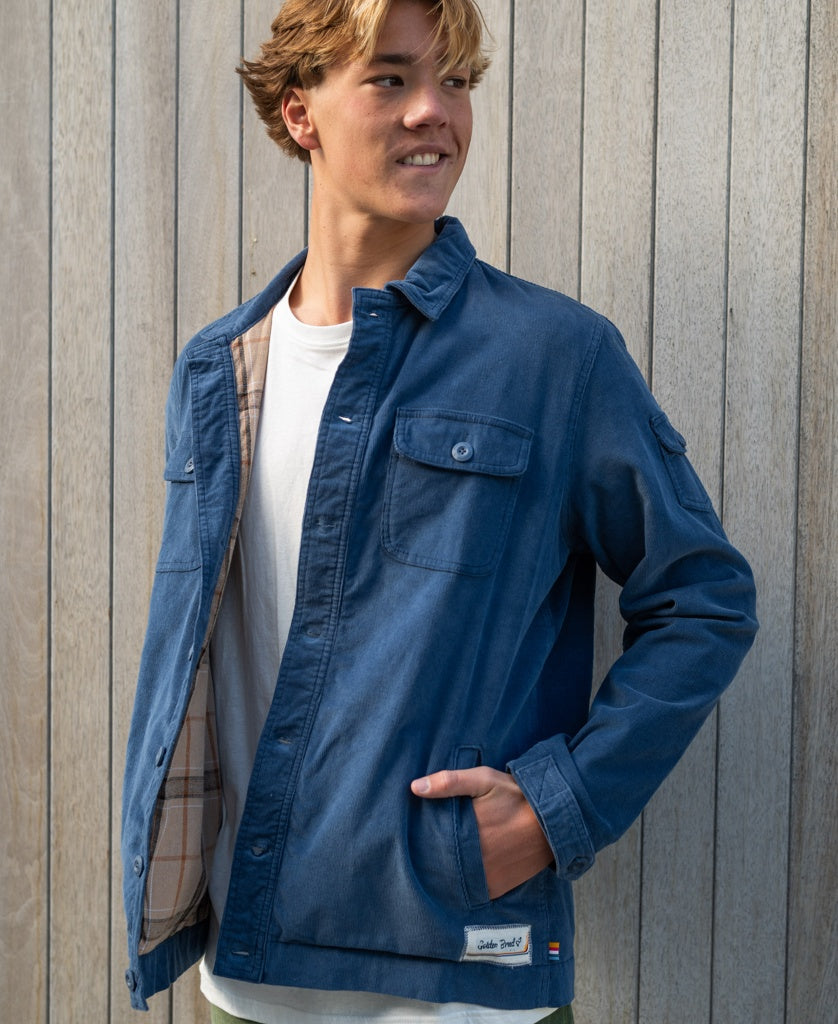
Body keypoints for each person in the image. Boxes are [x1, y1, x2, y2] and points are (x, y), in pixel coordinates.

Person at [121, 0, 758, 1020]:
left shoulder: (553, 356)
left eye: (455, 81)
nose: (435, 113)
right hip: (240, 969)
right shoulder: (218, 368)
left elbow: (705, 600)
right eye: (390, 78)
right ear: (301, 114)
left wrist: (559, 810)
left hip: (457, 973)